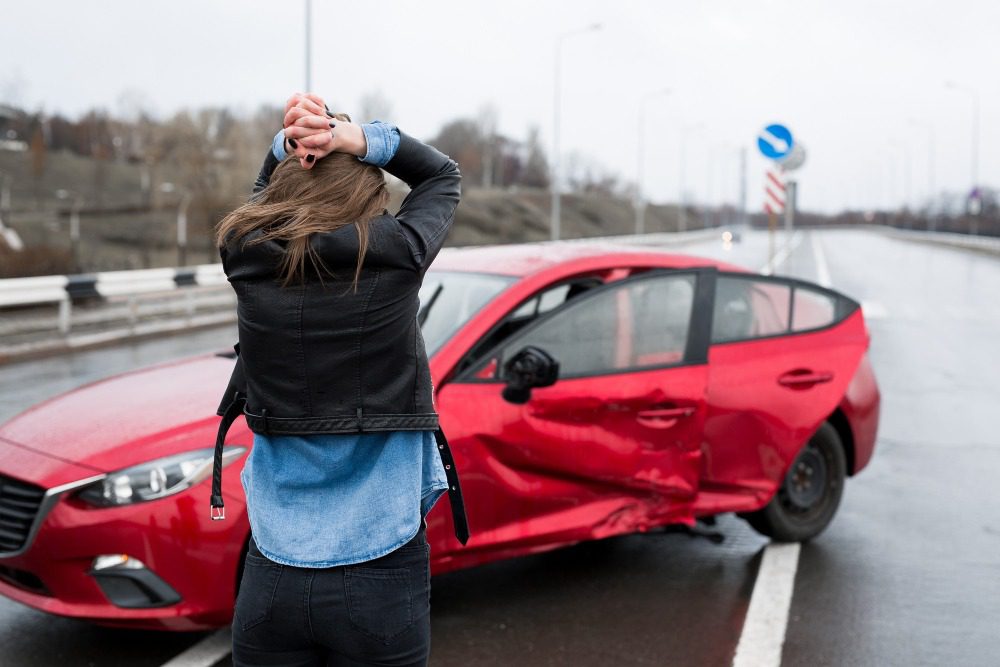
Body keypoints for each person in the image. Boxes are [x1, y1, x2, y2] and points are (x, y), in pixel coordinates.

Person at [212, 92, 468, 667]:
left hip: (272, 575)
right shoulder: (398, 254)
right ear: (368, 196)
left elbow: (261, 199)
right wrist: (354, 138)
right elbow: (440, 176)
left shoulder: (246, 256)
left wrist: (293, 141)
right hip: (381, 574)